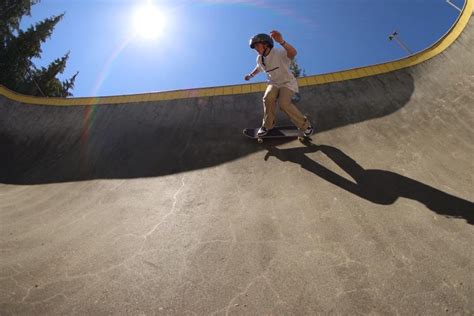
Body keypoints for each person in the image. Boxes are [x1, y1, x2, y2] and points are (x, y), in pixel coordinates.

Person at [245, 30, 313, 137]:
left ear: (266, 44)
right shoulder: (260, 58)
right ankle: (267, 125)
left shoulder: (279, 52)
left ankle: (305, 125)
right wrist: (251, 75)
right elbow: (259, 68)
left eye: (257, 46)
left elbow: (293, 53)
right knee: (268, 98)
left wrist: (281, 41)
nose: (256, 49)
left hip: (287, 83)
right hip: (273, 83)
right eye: (254, 48)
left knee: (283, 104)